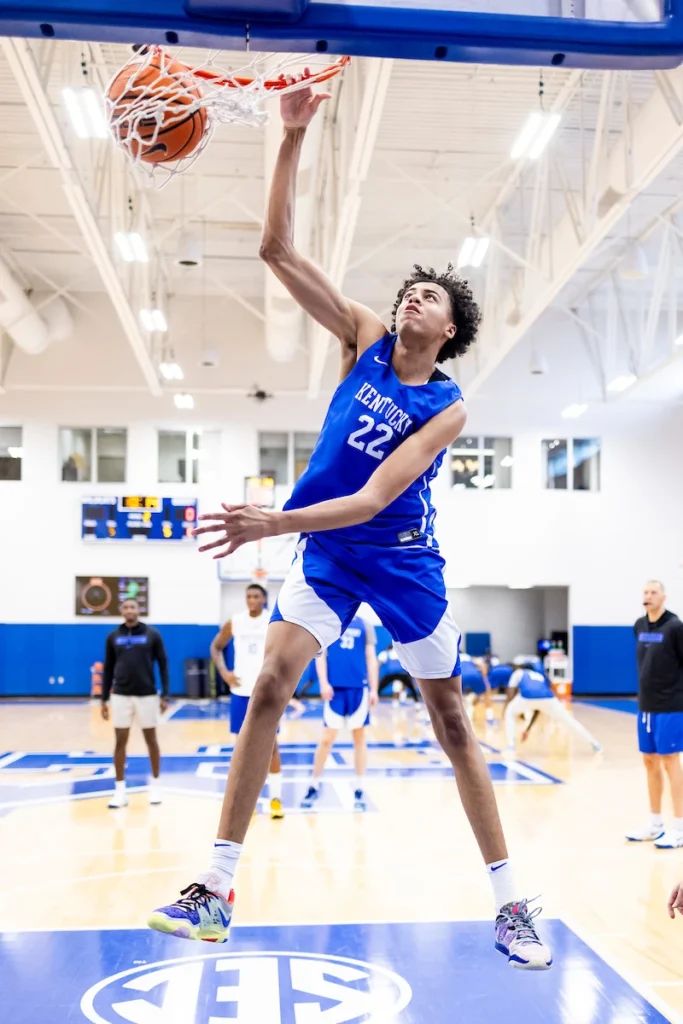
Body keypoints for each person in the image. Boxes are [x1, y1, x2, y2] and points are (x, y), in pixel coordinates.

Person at [148, 81, 552, 971]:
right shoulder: (361, 339)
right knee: (266, 688)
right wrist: (289, 138)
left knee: (450, 721)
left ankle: (511, 902)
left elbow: (373, 499)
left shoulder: (445, 407)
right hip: (327, 553)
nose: (412, 297)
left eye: (429, 298)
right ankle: (215, 887)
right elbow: (275, 249)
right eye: (408, 289)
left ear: (448, 331)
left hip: (400, 560)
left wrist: (270, 520)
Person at [210, 583, 285, 820]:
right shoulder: (236, 621)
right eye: (248, 596)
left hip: (266, 694)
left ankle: (275, 799)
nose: (251, 600)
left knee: (271, 747)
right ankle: (245, 802)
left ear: (264, 599)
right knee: (241, 749)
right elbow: (216, 647)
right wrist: (224, 672)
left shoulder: (273, 621)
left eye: (256, 596)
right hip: (241, 692)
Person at [301, 615, 379, 812]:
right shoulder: (330, 621)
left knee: (359, 739)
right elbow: (321, 655)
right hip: (335, 690)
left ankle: (360, 788)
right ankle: (314, 784)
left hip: (358, 690)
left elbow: (371, 658)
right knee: (327, 739)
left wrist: (374, 689)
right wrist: (324, 682)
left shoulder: (365, 625)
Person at [626, 580, 683, 849]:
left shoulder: (675, 627)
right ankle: (655, 824)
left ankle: (680, 828)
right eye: (645, 592)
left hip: (671, 705)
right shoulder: (639, 626)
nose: (647, 596)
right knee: (649, 760)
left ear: (663, 597)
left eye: (653, 592)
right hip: (645, 705)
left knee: (670, 760)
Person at [101, 598, 169, 808]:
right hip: (121, 695)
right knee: (120, 742)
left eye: (133, 607)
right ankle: (120, 791)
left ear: (138, 610)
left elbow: (163, 664)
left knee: (151, 740)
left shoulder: (152, 634)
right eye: (126, 607)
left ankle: (155, 787)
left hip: (147, 695)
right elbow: (108, 669)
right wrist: (103, 698)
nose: (129, 610)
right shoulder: (113, 636)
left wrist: (165, 694)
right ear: (121, 611)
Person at [502, 663, 601, 755]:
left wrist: (507, 707)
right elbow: (538, 707)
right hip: (549, 698)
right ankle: (595, 744)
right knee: (569, 721)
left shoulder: (518, 672)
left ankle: (511, 746)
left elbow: (510, 692)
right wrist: (528, 729)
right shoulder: (539, 676)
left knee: (509, 713)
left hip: (527, 696)